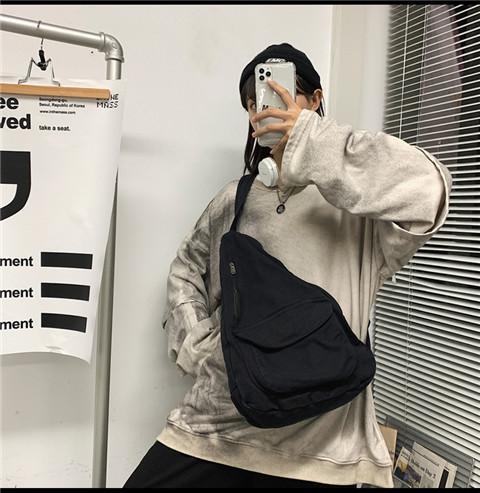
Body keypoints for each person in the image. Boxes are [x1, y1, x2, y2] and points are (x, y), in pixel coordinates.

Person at [124, 42, 452, 488]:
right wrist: (201, 350)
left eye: (281, 92)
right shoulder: (235, 199)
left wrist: (310, 139)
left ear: (314, 100)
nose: (263, 108)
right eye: (254, 101)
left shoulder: (360, 209)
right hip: (217, 430)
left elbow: (429, 191)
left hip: (324, 448)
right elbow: (187, 271)